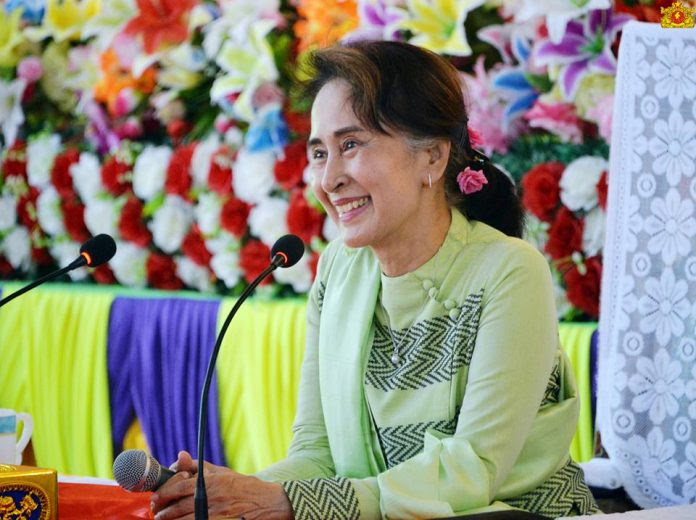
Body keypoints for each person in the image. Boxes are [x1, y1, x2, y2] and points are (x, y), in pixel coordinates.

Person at [151, 40, 599, 519]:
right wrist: (232, 495)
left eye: (351, 145)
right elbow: (317, 454)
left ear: (432, 157)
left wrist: (283, 502)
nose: (329, 179)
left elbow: (471, 469)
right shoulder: (339, 270)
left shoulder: (509, 271)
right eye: (319, 152)